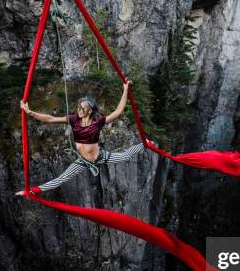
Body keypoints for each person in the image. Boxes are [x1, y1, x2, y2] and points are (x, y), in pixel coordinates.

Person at [16, 78, 155, 196]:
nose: (79, 110)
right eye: (78, 107)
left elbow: (118, 112)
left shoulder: (97, 122)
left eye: (82, 108)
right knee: (62, 178)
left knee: (125, 156)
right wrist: (31, 112)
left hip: (101, 156)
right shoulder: (73, 120)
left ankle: (145, 144)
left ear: (89, 110)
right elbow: (50, 119)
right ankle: (33, 191)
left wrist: (125, 90)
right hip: (83, 161)